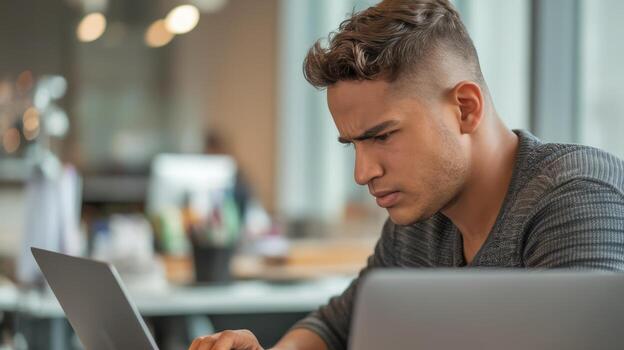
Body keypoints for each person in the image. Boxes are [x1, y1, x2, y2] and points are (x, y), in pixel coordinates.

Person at [189, 0, 624, 349]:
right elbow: (335, 325)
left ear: (465, 108)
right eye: (354, 144)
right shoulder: (421, 216)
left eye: (382, 137)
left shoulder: (576, 195)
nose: (363, 173)